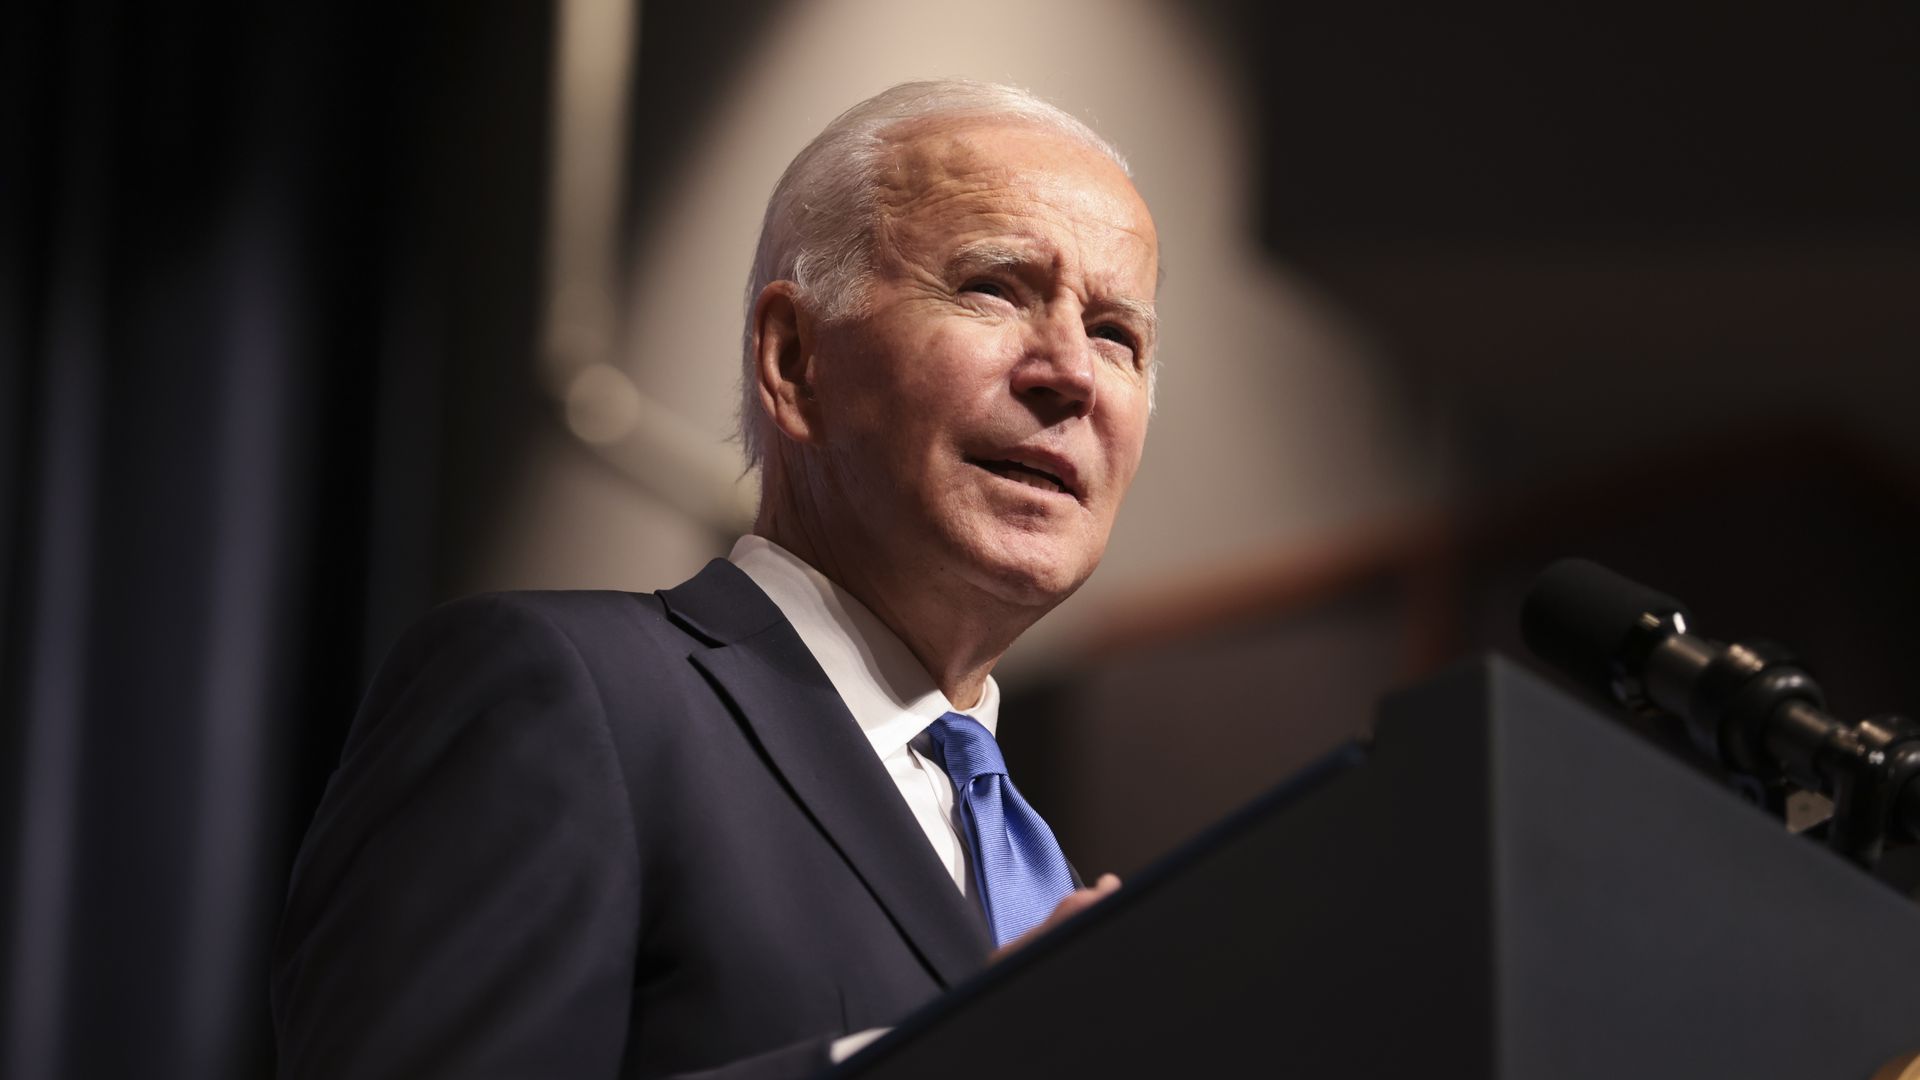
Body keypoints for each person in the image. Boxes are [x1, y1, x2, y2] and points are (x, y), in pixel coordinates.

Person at [271, 78, 1160, 1079]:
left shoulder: (1053, 887)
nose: (1073, 373)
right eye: (994, 288)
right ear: (793, 359)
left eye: (1117, 334)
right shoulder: (568, 694)